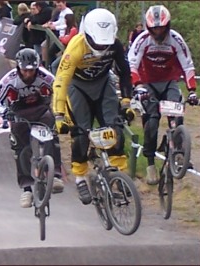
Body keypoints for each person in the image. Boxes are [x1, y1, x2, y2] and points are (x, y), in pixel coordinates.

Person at [52, 8, 134, 205]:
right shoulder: (75, 47)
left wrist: (126, 102)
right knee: (80, 133)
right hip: (77, 87)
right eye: (96, 41)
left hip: (103, 84)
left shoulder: (115, 45)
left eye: (104, 42)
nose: (100, 46)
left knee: (115, 128)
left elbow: (125, 73)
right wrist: (59, 115)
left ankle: (120, 174)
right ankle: (80, 177)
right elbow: (61, 80)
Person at [127, 5, 199, 185]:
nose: (158, 32)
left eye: (161, 28)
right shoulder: (142, 39)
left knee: (176, 113)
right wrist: (138, 86)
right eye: (154, 28)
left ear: (168, 25)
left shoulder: (176, 40)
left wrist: (192, 91)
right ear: (149, 27)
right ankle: (150, 163)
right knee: (151, 122)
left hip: (169, 82)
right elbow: (132, 64)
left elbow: (188, 66)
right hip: (148, 84)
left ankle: (180, 153)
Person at [0, 48, 64, 208]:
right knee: (19, 148)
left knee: (52, 134)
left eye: (32, 70)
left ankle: (56, 174)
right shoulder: (9, 80)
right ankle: (26, 188)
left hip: (41, 110)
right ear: (18, 68)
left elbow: (60, 91)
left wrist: (60, 111)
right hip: (18, 114)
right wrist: (5, 112)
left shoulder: (45, 77)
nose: (29, 74)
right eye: (25, 70)